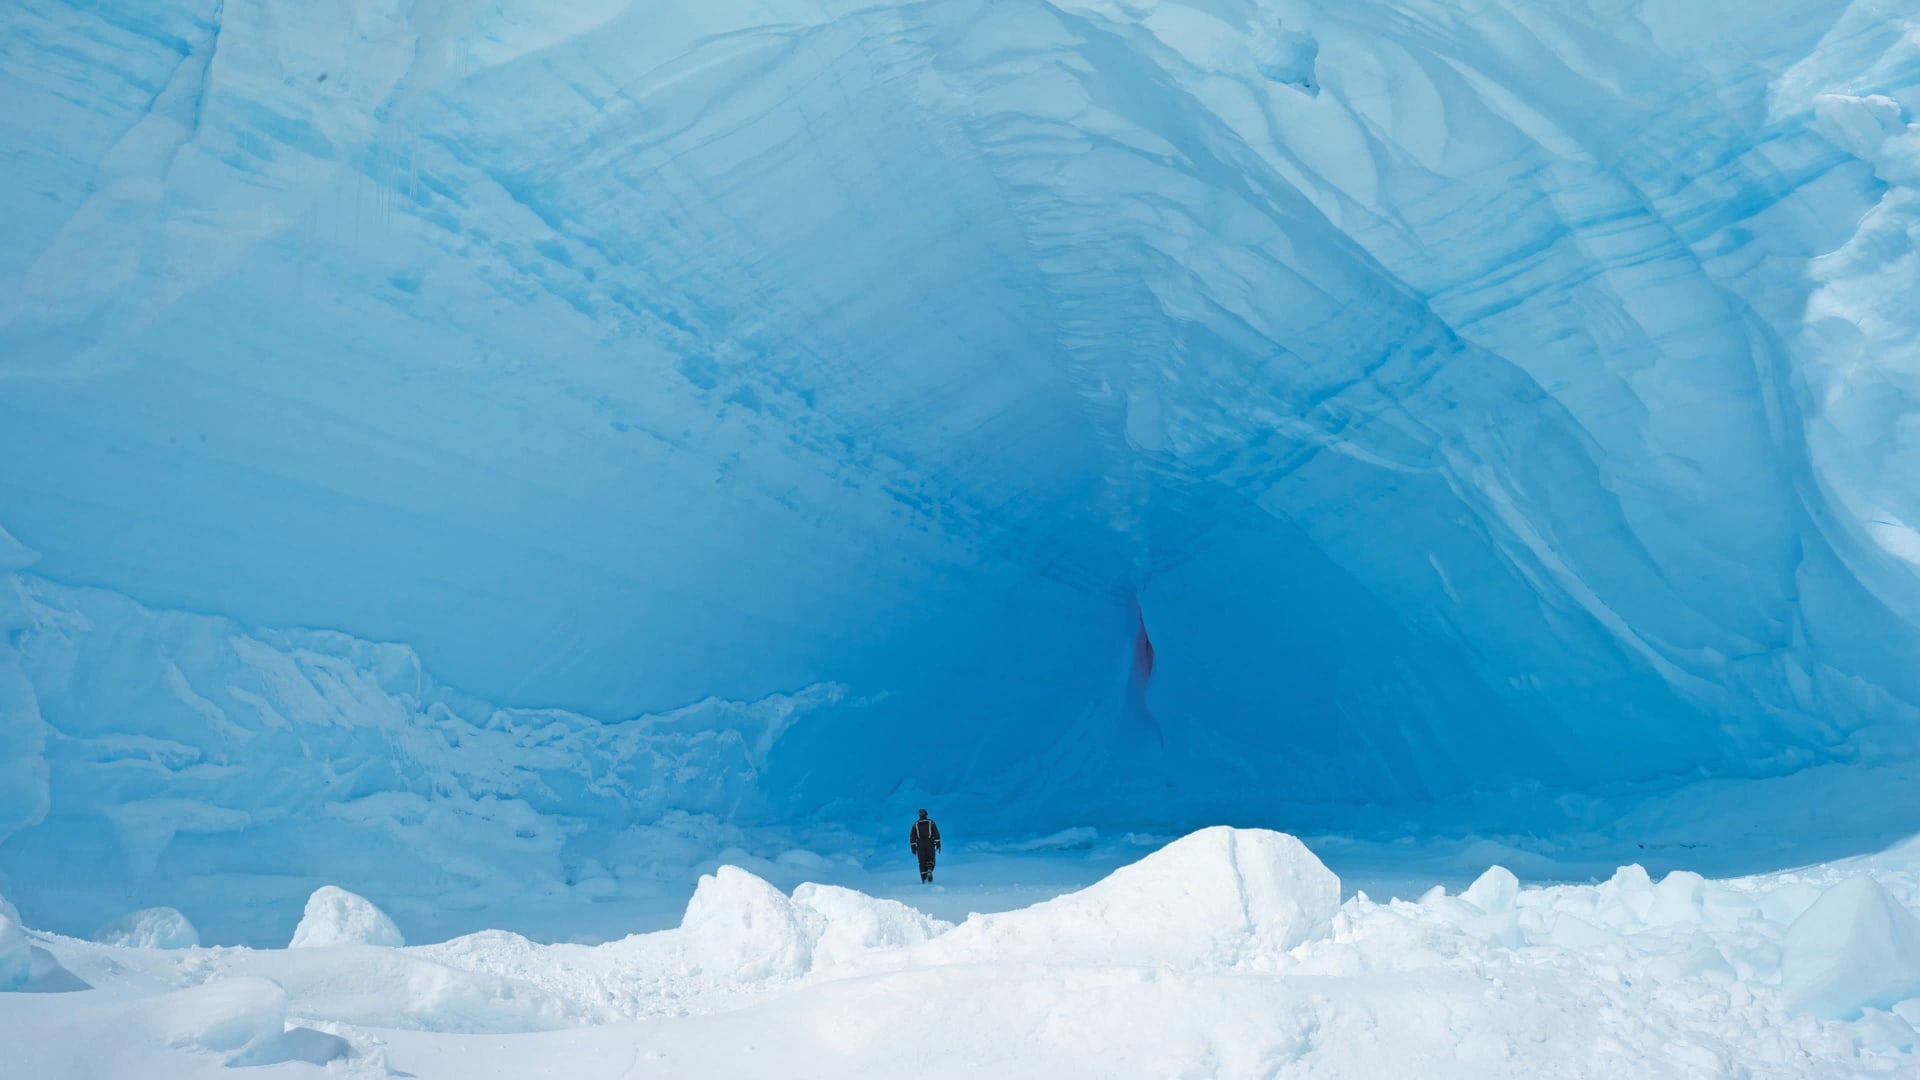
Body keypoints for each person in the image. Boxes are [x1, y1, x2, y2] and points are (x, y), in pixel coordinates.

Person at [909, 809, 941, 883]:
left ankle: (924, 879)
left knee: (922, 861)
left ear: (919, 815)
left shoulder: (915, 824)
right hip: (930, 842)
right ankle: (930, 868)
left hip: (920, 844)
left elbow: (912, 837)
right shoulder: (931, 822)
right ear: (926, 814)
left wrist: (913, 846)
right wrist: (938, 844)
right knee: (931, 858)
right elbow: (936, 834)